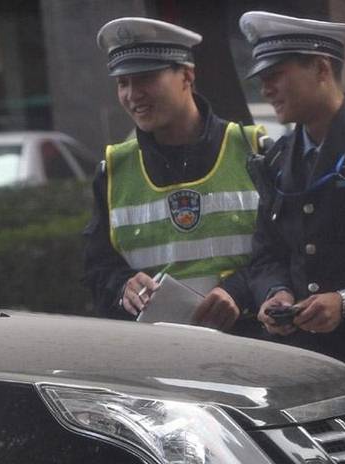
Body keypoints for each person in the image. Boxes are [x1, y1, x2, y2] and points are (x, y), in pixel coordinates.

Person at [83, 17, 265, 332]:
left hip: (253, 344)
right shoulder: (112, 171)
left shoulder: (256, 152)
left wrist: (239, 290)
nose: (132, 94)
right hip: (160, 357)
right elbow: (97, 270)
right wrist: (122, 286)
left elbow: (289, 253)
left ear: (187, 76)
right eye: (122, 83)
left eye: (145, 79)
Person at [240, 11, 345, 370]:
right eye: (261, 80)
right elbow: (266, 254)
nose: (265, 90)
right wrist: (274, 294)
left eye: (275, 76)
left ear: (322, 68)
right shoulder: (277, 159)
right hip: (301, 359)